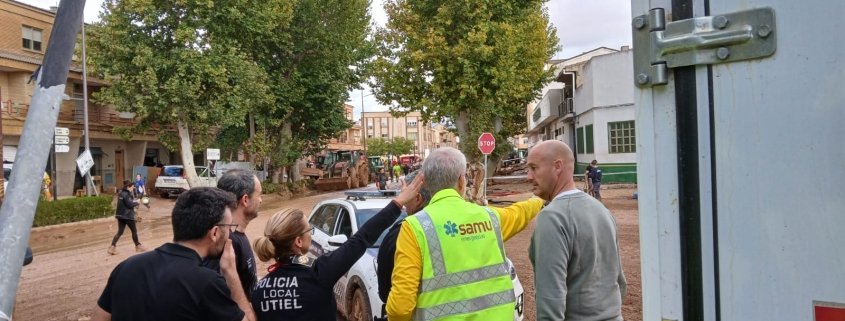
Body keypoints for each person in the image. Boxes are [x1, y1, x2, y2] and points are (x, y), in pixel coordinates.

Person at [386, 147, 543, 321]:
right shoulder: (490, 217)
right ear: (462, 181)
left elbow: (400, 308)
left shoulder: (414, 227)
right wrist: (539, 199)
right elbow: (520, 212)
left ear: (426, 183)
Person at [250, 174, 423, 321]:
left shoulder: (259, 289)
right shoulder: (318, 272)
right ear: (298, 242)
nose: (312, 233)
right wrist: (399, 202)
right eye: (309, 229)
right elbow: (361, 238)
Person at [92, 187, 256, 321]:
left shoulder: (127, 267)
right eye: (228, 228)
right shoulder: (207, 282)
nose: (229, 234)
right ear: (214, 233)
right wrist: (230, 272)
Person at [526, 141, 626, 321]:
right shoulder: (602, 210)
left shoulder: (552, 217)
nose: (528, 176)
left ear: (557, 167)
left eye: (534, 168)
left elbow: (551, 297)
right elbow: (620, 281)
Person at [206, 169, 264, 300]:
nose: (260, 200)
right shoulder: (225, 242)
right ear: (245, 199)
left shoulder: (236, 236)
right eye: (259, 194)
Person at [107, 180, 145, 255]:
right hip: (127, 216)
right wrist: (137, 202)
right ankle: (138, 246)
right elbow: (130, 205)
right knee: (134, 231)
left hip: (120, 216)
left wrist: (134, 200)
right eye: (132, 186)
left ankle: (112, 247)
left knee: (120, 232)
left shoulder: (120, 193)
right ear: (128, 187)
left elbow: (127, 202)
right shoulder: (127, 194)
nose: (133, 188)